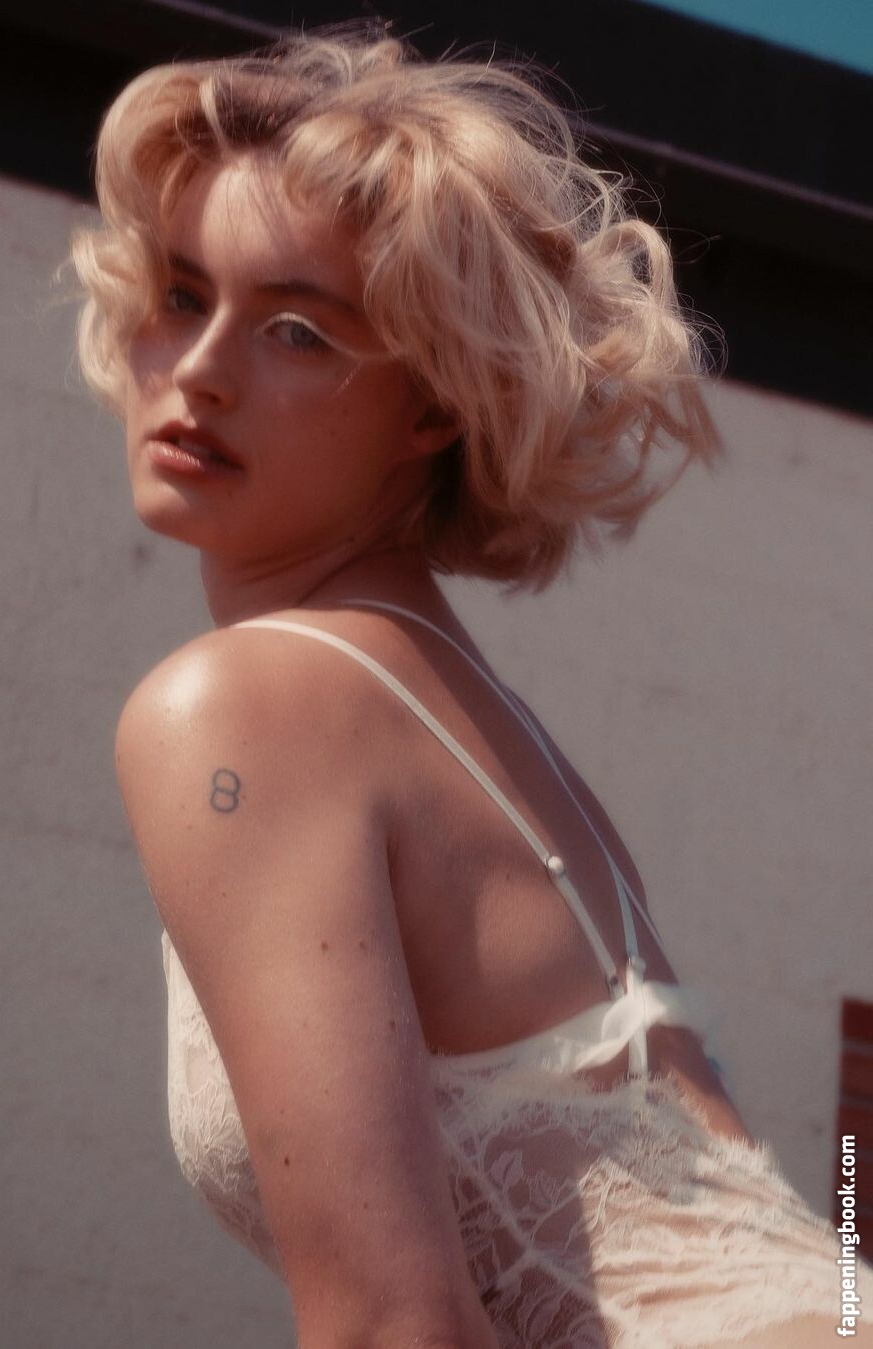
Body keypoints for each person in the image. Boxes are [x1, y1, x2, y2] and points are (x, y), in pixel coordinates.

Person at [66, 18, 867, 1347]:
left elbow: (395, 1323)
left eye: (296, 332)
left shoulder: (242, 704)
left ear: (434, 402)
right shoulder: (497, 739)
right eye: (183, 296)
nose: (198, 370)